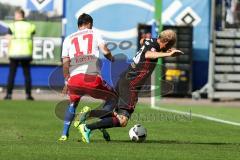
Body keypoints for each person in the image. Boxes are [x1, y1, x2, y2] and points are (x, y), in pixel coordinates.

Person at [77, 29, 184, 143]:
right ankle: (87, 128)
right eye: (170, 45)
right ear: (167, 42)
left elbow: (143, 41)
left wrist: (164, 49)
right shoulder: (153, 48)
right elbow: (148, 54)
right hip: (131, 85)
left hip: (125, 79)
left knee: (115, 114)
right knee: (123, 120)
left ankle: (87, 114)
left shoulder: (152, 41)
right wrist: (168, 53)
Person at [59, 13, 117, 141]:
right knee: (113, 98)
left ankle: (64, 134)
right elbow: (105, 51)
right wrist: (112, 58)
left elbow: (65, 61)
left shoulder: (68, 38)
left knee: (73, 103)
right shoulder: (94, 33)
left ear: (78, 24)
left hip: (74, 80)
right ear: (89, 24)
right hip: (91, 78)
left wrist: (66, 79)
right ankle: (95, 123)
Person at [4, 8, 35, 100]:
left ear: (18, 15)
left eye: (15, 14)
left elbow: (9, 39)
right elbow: (32, 36)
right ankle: (28, 95)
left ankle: (9, 95)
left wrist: (8, 52)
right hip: (26, 53)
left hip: (14, 53)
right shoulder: (30, 25)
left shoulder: (12, 25)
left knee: (12, 74)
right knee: (27, 75)